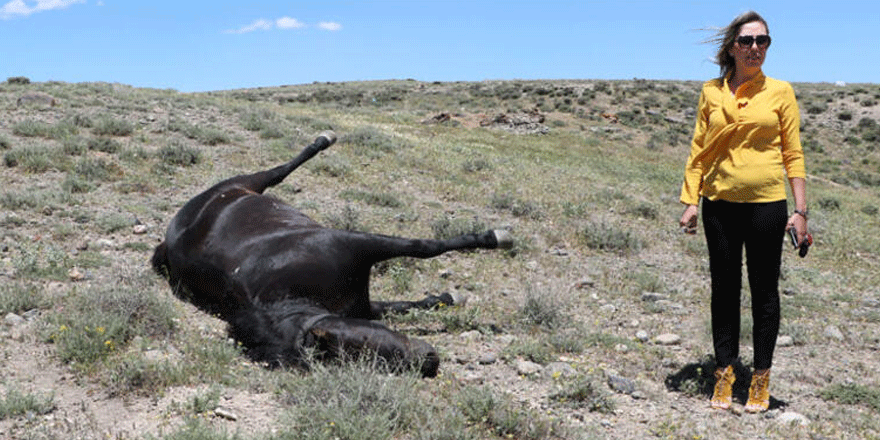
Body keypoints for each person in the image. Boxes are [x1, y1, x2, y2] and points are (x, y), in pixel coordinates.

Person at [678, 11, 808, 413]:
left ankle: (761, 380)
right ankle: (724, 374)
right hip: (719, 205)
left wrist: (800, 210)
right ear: (732, 47)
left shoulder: (781, 91)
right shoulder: (711, 92)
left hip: (767, 205)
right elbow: (700, 149)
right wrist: (690, 200)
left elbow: (793, 152)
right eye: (748, 41)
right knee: (725, 290)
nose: (756, 48)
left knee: (765, 292)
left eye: (763, 41)